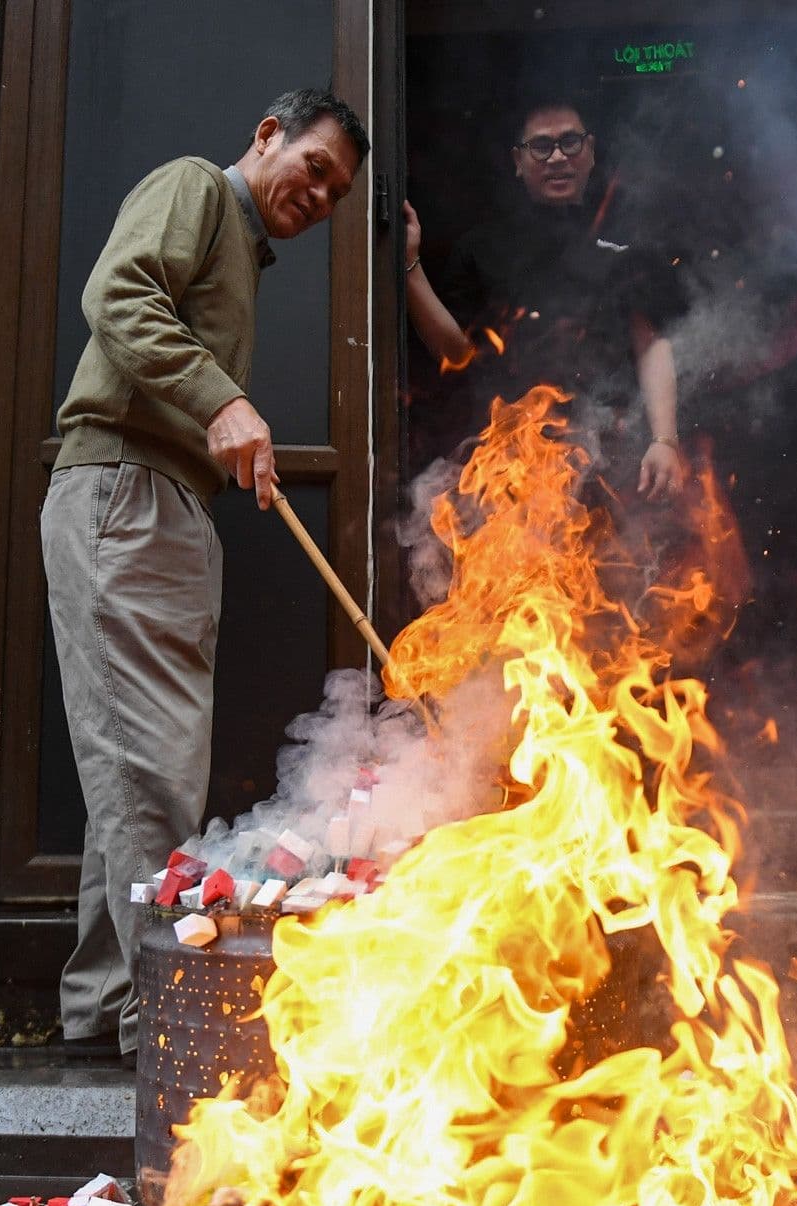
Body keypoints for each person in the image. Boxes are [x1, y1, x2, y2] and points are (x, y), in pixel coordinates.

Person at [42, 90, 368, 1063]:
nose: (319, 195)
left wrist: (215, 428)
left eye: (336, 192)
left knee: (142, 774)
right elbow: (119, 294)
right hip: (126, 491)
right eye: (314, 166)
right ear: (267, 134)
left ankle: (104, 1004)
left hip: (164, 501)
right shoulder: (193, 187)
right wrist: (222, 402)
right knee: (150, 771)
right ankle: (167, 1012)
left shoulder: (241, 243)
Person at [402, 96, 687, 501]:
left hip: (610, 460)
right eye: (541, 146)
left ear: (590, 152)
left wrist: (665, 440)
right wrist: (409, 266)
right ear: (518, 161)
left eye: (570, 142)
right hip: (507, 463)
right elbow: (455, 350)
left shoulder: (629, 245)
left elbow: (651, 342)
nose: (557, 157)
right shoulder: (480, 248)